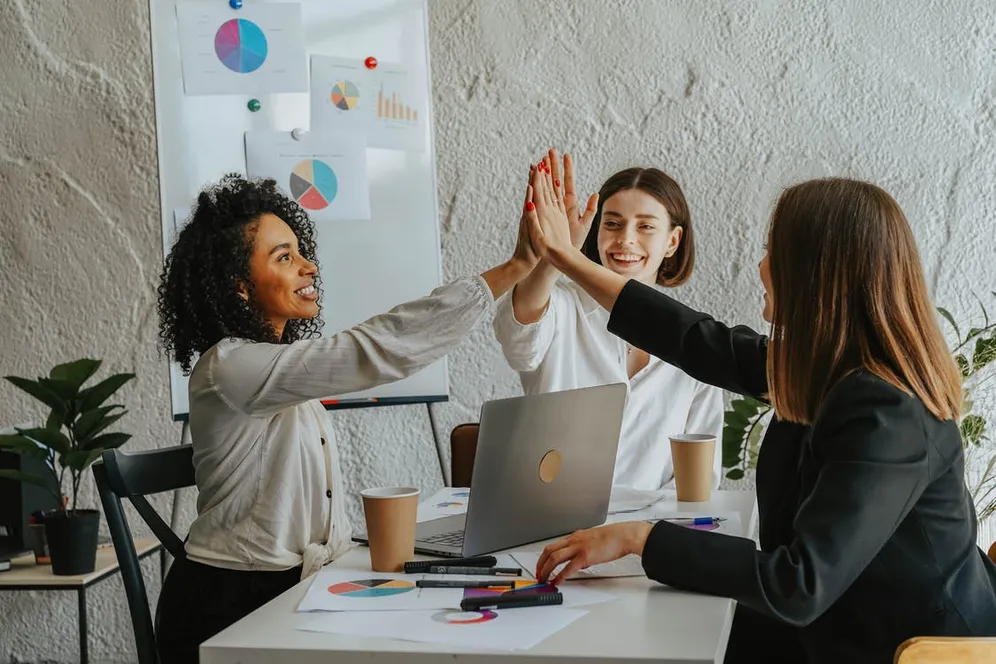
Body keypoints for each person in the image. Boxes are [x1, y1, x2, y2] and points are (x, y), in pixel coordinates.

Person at [523, 161, 996, 663]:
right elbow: (692, 338)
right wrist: (562, 257)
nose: (762, 266)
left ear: (817, 273)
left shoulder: (887, 411)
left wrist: (641, 538)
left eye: (774, 251)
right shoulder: (826, 368)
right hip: (837, 621)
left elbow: (797, 584)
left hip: (903, 647)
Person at [153, 173, 538, 662]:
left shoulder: (274, 369)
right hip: (229, 606)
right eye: (284, 258)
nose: (308, 267)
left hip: (289, 591)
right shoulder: (230, 367)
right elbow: (370, 352)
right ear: (239, 287)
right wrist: (515, 268)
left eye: (300, 251)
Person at [493, 150, 724, 491]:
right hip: (553, 527)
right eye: (612, 223)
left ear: (672, 241)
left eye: (645, 226)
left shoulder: (696, 341)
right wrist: (557, 253)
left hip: (647, 534)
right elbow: (518, 336)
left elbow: (700, 480)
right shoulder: (561, 307)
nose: (626, 239)